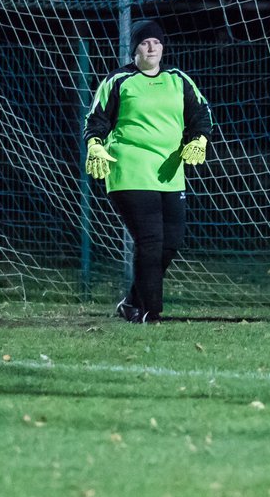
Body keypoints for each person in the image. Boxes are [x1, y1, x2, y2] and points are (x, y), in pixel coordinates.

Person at [84, 19, 213, 323]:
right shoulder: (119, 80)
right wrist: (95, 145)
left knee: (171, 242)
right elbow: (96, 120)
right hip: (129, 169)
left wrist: (200, 139)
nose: (152, 47)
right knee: (151, 241)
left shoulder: (177, 79)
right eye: (145, 42)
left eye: (156, 42)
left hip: (170, 172)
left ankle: (132, 301)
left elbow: (201, 114)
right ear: (135, 49)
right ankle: (150, 312)